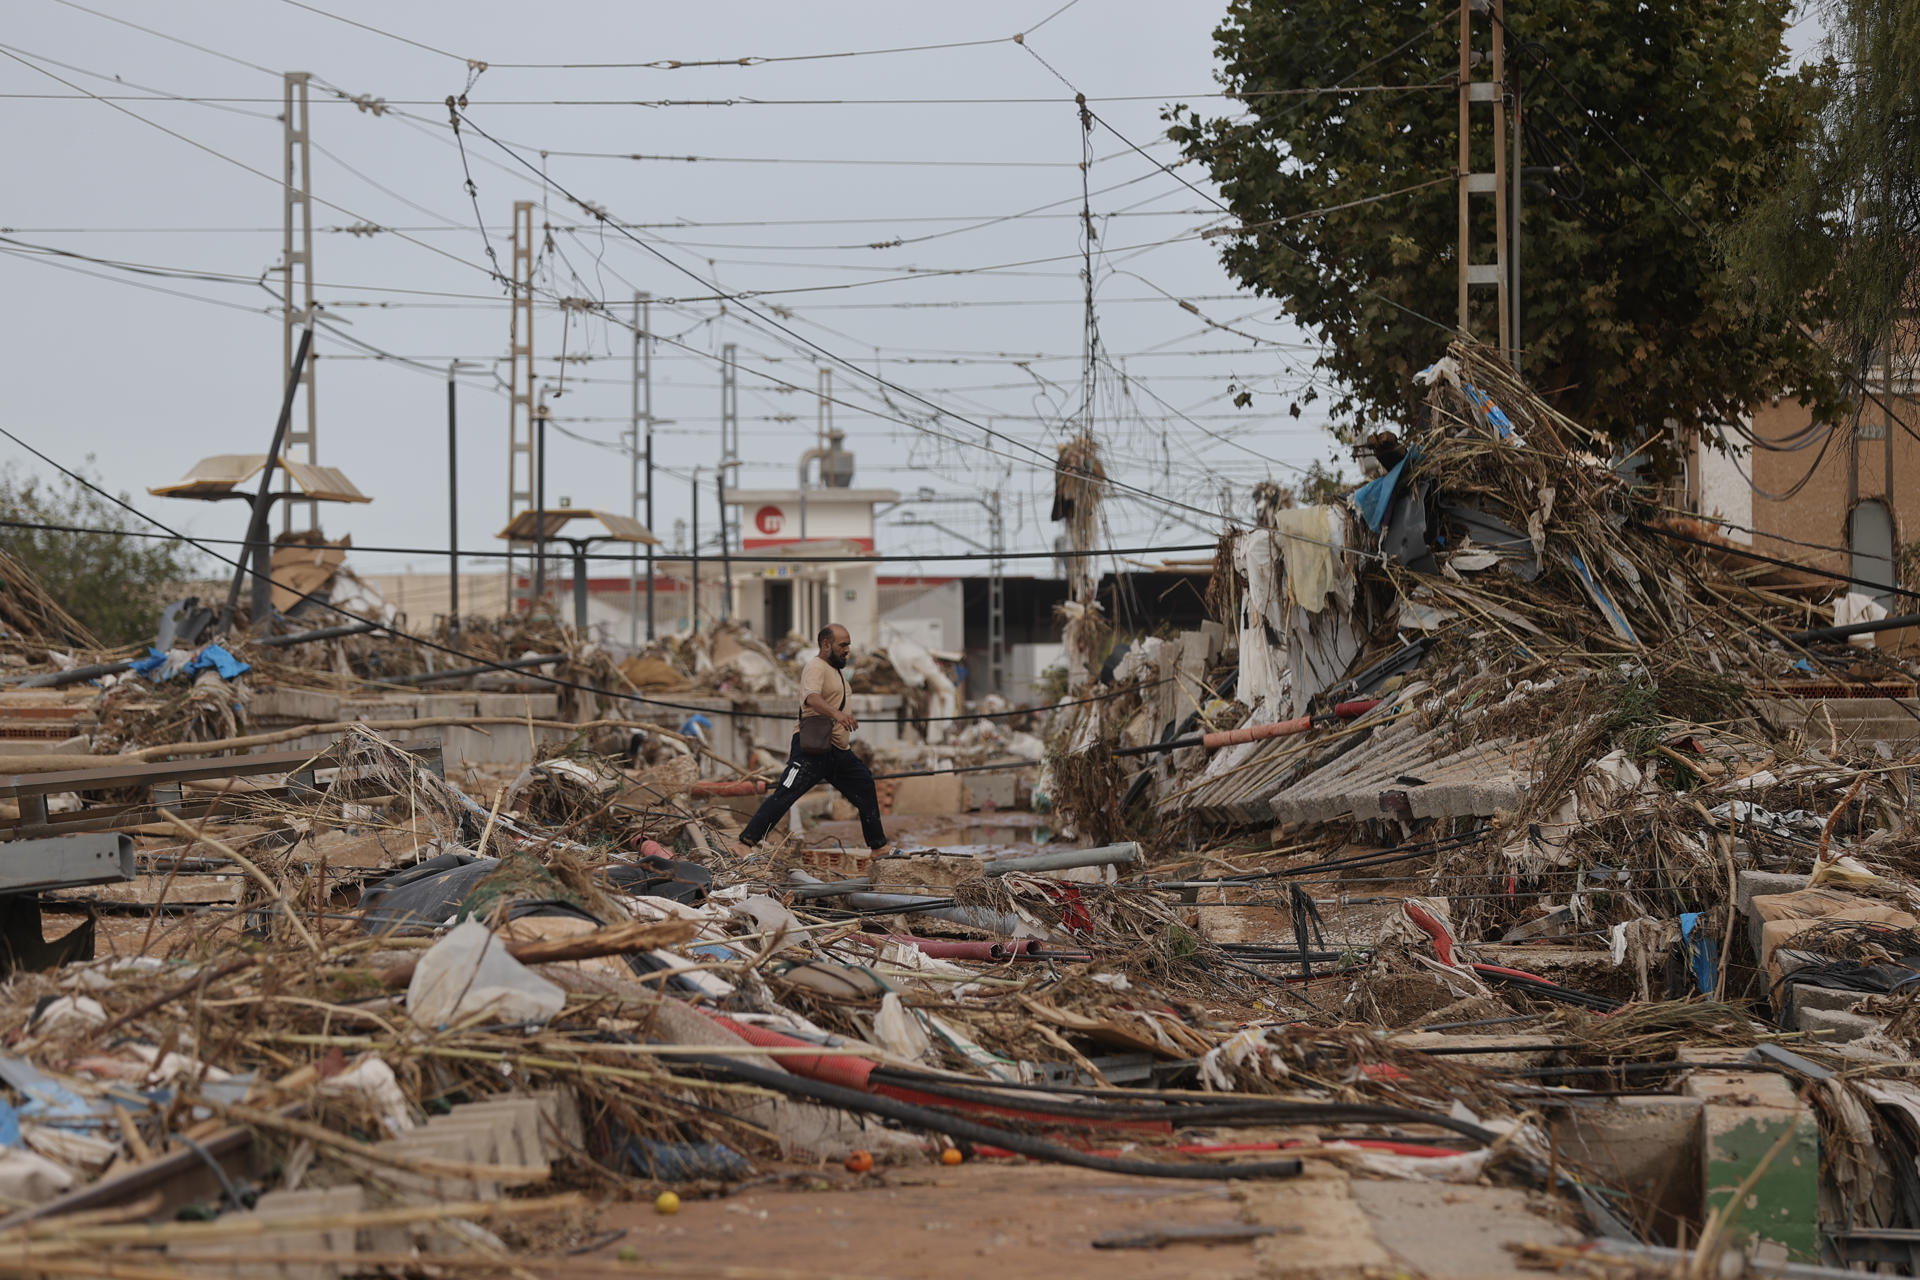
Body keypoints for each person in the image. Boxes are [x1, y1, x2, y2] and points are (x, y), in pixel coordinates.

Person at [733, 623, 891, 856]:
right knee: (785, 793)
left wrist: (843, 715)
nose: (848, 649)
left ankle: (878, 847)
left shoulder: (835, 670)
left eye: (848, 644)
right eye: (843, 644)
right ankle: (744, 844)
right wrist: (837, 714)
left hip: (837, 750)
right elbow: (812, 698)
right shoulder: (816, 667)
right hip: (811, 751)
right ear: (826, 645)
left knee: (865, 783)